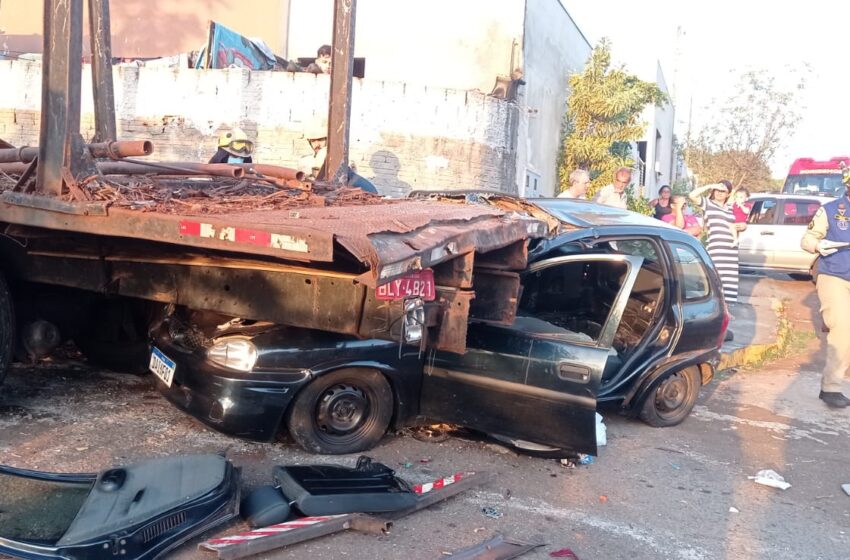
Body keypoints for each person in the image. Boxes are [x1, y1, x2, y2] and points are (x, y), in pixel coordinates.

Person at [800, 177, 850, 409]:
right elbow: (808, 239)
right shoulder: (830, 210)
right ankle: (831, 387)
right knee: (842, 329)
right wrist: (818, 246)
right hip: (835, 275)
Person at [689, 180, 745, 303]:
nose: (719, 193)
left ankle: (727, 310)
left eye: (723, 191)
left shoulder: (732, 208)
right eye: (717, 189)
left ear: (728, 194)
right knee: (714, 280)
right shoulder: (708, 204)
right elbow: (692, 195)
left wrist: (744, 226)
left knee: (729, 281)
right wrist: (710, 185)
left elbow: (741, 221)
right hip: (716, 249)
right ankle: (714, 309)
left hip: (731, 249)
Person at [298, 117, 378, 194]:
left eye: (320, 140)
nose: (317, 144)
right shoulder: (305, 162)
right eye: (313, 141)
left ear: (328, 138)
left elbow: (370, 190)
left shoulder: (341, 160)